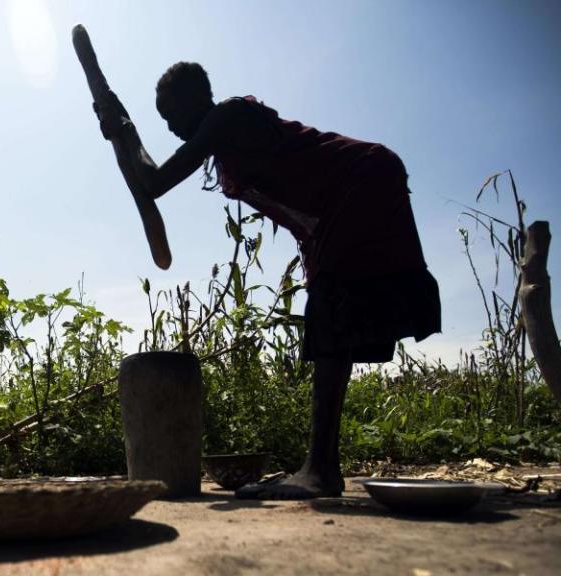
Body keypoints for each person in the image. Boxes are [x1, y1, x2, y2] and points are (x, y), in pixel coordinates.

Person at [94, 62, 441, 499]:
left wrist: (124, 130)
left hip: (359, 180)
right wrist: (123, 134)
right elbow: (152, 178)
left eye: (171, 114)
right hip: (337, 205)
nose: (171, 127)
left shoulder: (229, 115)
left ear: (195, 98)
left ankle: (320, 470)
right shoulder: (221, 138)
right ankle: (320, 466)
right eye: (161, 120)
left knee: (333, 310)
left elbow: (156, 181)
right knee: (336, 311)